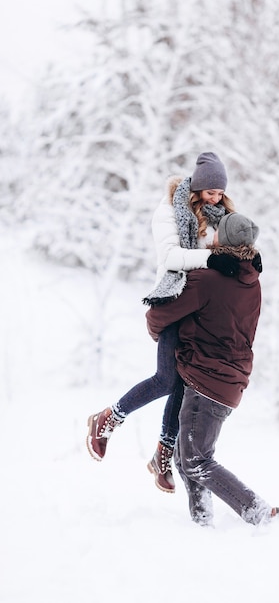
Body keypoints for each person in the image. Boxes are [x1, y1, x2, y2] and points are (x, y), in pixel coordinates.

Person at [86, 152, 239, 493]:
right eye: (210, 191)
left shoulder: (220, 216)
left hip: (203, 311)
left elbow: (229, 253)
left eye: (220, 192)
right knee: (167, 378)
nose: (215, 198)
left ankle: (163, 455)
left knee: (186, 382)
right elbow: (170, 256)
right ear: (198, 187)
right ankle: (107, 419)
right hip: (174, 300)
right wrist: (213, 258)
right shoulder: (170, 210)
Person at [146, 213, 279, 526]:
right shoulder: (252, 282)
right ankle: (203, 523)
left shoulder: (207, 280)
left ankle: (259, 513)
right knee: (187, 460)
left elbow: (159, 314)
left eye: (215, 233)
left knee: (196, 459)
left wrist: (162, 335)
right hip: (230, 381)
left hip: (205, 379)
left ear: (222, 240)